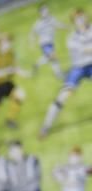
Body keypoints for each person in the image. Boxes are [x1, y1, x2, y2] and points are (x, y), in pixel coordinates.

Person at [40, 9, 92, 138]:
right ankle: (45, 127)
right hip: (78, 68)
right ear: (73, 22)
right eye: (77, 19)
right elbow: (86, 50)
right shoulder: (71, 39)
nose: (80, 21)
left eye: (82, 17)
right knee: (63, 96)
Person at [31, 3, 65, 79]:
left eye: (46, 10)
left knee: (49, 58)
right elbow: (33, 32)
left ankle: (36, 65)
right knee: (54, 57)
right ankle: (58, 74)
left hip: (51, 43)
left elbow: (58, 25)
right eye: (43, 11)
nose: (46, 12)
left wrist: (66, 27)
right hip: (44, 44)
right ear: (40, 13)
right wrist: (33, 42)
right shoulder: (38, 23)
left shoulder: (51, 19)